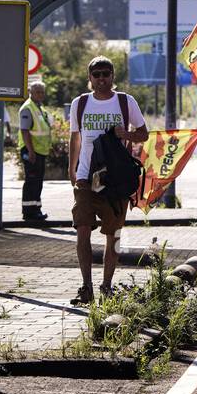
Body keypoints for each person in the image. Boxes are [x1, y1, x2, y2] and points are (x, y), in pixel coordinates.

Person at [68, 56, 149, 305]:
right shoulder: (80, 103)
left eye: (106, 74)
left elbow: (143, 134)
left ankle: (106, 286)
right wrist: (72, 170)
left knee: (113, 236)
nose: (101, 79)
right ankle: (86, 286)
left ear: (113, 76)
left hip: (115, 181)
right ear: (90, 78)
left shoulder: (125, 102)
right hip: (85, 179)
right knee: (82, 230)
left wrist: (125, 133)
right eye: (97, 75)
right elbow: (75, 138)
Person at [18, 80, 52, 221]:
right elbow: (25, 131)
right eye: (37, 92)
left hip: (39, 151)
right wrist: (31, 151)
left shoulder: (39, 107)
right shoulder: (27, 108)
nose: (40, 94)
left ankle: (36, 210)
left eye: (42, 92)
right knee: (32, 181)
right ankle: (28, 212)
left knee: (37, 182)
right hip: (31, 151)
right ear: (30, 92)